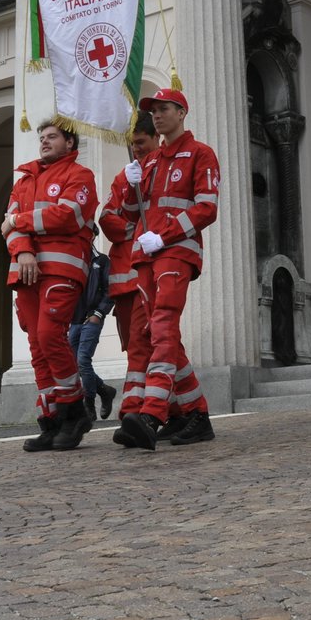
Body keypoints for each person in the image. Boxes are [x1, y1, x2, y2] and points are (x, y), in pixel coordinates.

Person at [115, 88, 219, 450]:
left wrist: (164, 235)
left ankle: (152, 413)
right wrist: (129, 188)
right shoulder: (150, 161)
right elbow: (129, 215)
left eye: (163, 109)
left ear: (181, 112)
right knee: (155, 335)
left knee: (162, 327)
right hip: (146, 255)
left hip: (175, 252)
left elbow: (207, 208)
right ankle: (195, 412)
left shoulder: (201, 153)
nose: (157, 116)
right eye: (154, 110)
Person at [4, 121, 100, 452]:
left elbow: (68, 216)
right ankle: (51, 420)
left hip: (62, 267)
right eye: (41, 138)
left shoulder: (80, 175)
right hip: (25, 269)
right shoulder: (24, 180)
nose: (44, 142)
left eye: (51, 137)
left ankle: (75, 412)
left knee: (49, 336)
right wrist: (25, 249)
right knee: (36, 344)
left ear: (69, 143)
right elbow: (8, 226)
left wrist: (19, 222)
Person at [99, 113, 158, 418]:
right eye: (132, 144)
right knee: (137, 344)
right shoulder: (124, 176)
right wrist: (132, 230)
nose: (136, 149)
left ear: (155, 138)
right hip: (124, 279)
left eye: (141, 142)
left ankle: (134, 409)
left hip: (150, 275)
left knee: (144, 342)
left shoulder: (163, 167)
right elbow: (106, 217)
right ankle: (171, 407)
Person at [67, 249, 118, 422]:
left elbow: (110, 289)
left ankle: (89, 405)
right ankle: (104, 390)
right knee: (74, 364)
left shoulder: (102, 260)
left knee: (82, 360)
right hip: (74, 320)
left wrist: (99, 313)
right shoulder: (72, 259)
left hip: (92, 317)